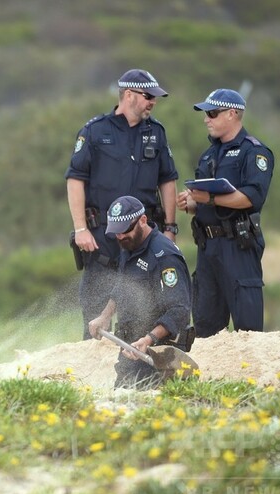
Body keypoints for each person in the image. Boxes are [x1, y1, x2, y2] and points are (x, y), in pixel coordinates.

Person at [65, 68, 180, 339]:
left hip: (143, 236)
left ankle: (137, 375)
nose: (153, 101)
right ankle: (89, 375)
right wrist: (80, 228)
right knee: (95, 316)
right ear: (128, 95)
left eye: (155, 97)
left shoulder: (157, 133)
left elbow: (168, 180)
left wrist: (171, 228)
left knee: (142, 314)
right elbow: (75, 179)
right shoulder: (94, 131)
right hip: (102, 236)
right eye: (148, 96)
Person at [176, 89, 274, 337]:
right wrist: (193, 203)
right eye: (205, 114)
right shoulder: (209, 153)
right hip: (208, 247)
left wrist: (208, 197)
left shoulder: (254, 152)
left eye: (212, 113)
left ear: (232, 114)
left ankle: (247, 375)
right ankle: (208, 375)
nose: (206, 119)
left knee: (247, 327)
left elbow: (252, 197)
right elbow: (211, 201)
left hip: (237, 246)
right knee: (205, 326)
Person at [88, 196, 192, 389]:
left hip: (158, 352)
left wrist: (148, 339)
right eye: (116, 232)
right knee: (120, 401)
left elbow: (179, 310)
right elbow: (122, 286)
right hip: (131, 346)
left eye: (125, 230)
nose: (120, 237)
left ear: (142, 220)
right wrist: (104, 316)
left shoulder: (164, 256)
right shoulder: (130, 245)